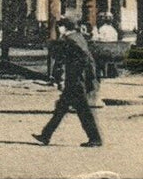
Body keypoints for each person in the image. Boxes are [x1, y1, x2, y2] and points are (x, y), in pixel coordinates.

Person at [33, 18, 102, 147]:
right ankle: (45, 135)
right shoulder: (77, 37)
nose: (59, 29)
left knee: (82, 111)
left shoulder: (71, 39)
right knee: (62, 109)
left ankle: (95, 138)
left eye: (60, 26)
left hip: (75, 81)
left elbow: (83, 58)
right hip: (75, 80)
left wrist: (76, 75)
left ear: (65, 27)